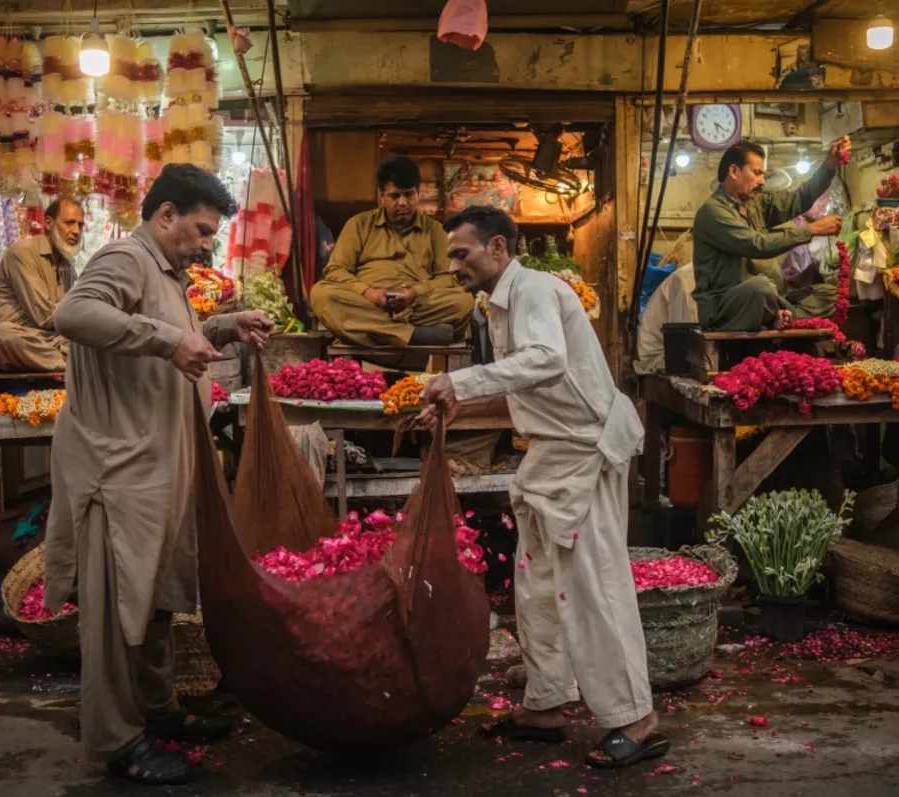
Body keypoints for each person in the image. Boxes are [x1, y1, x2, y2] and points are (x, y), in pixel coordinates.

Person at [43, 164, 274, 785]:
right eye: (200, 231)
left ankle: (157, 710)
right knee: (119, 610)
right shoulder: (125, 259)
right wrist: (167, 339)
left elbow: (177, 335)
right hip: (116, 470)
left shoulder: (166, 274)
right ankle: (117, 741)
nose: (205, 245)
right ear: (165, 214)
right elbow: (75, 316)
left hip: (158, 467)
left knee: (156, 603)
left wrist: (224, 326)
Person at [418, 206, 667, 769]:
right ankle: (547, 706)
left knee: (594, 589)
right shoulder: (499, 304)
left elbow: (546, 361)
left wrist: (457, 379)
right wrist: (463, 401)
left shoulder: (532, 289)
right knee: (536, 589)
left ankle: (638, 720)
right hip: (550, 459)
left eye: (462, 253)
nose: (453, 265)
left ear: (499, 247)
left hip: (584, 456)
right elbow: (529, 386)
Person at [309, 157, 473, 347]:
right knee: (321, 294)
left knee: (463, 300)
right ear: (381, 197)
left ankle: (373, 332)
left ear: (418, 194)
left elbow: (449, 276)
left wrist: (416, 292)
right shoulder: (359, 224)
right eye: (395, 196)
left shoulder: (435, 230)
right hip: (369, 302)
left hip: (416, 305)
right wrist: (368, 293)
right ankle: (413, 335)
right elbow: (336, 270)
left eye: (409, 195)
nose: (402, 202)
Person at [691, 137, 849, 331]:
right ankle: (779, 315)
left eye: (763, 174)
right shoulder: (713, 212)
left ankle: (781, 316)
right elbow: (757, 245)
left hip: (772, 298)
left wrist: (829, 165)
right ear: (734, 171)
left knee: (831, 294)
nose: (762, 181)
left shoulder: (754, 204)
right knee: (760, 288)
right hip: (728, 305)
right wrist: (811, 230)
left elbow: (799, 199)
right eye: (757, 173)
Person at [0, 197, 85, 371]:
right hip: (21, 337)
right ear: (49, 224)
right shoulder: (22, 252)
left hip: (49, 339)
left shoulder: (68, 267)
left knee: (91, 339)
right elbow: (44, 317)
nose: (76, 231)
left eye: (80, 225)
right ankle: (68, 363)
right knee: (4, 336)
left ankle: (64, 361)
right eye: (69, 223)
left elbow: (66, 317)